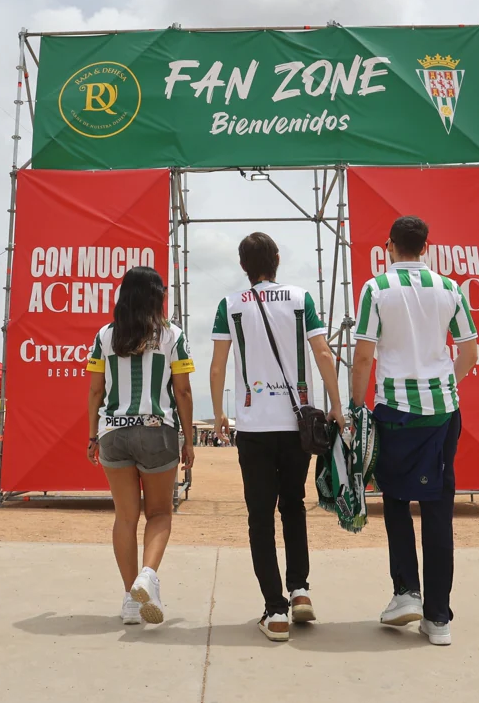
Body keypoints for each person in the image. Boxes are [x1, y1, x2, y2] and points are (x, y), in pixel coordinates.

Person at [350, 215, 479, 647]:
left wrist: (355, 407)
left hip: (395, 411)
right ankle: (438, 618)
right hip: (443, 412)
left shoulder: (376, 289)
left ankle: (406, 593)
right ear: (426, 247)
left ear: (389, 246)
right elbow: (469, 350)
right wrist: (445, 384)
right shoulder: (450, 288)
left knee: (395, 499)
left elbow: (364, 356)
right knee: (439, 508)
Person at [210, 233, 345, 642]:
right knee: (293, 506)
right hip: (296, 425)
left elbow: (218, 366)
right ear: (278, 259)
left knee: (259, 517)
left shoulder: (229, 305)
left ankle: (275, 610)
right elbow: (323, 353)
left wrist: (219, 414)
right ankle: (300, 589)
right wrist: (336, 404)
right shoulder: (301, 298)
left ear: (242, 265)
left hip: (253, 426)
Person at [86, 266, 196, 626]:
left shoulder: (104, 335)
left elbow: (95, 390)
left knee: (125, 517)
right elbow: (182, 391)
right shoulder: (173, 335)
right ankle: (148, 575)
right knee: (160, 514)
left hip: (113, 432)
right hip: (156, 429)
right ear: (157, 297)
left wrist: (92, 436)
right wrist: (189, 440)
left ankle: (130, 601)